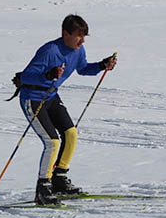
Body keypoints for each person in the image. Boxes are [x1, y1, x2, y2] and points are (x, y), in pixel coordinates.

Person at [18, 14, 117, 204]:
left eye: (84, 36)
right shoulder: (50, 50)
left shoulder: (78, 51)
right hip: (33, 98)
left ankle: (59, 179)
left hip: (52, 96)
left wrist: (102, 65)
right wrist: (47, 74)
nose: (82, 40)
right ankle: (43, 187)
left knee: (71, 134)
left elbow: (83, 68)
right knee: (52, 142)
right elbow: (27, 76)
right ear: (65, 33)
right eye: (78, 36)